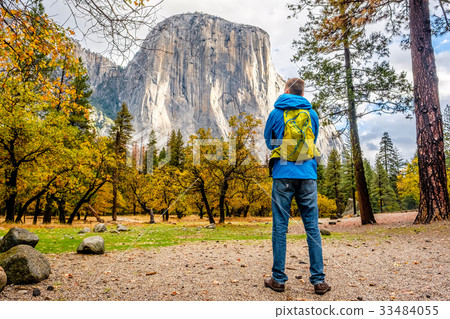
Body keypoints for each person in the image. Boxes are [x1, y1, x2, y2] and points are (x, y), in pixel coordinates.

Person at [263, 77, 331, 295]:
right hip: (308, 173)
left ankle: (278, 279)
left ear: (286, 90)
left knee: (280, 226)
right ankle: (318, 281)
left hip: (282, 173)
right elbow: (314, 139)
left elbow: (268, 141)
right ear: (302, 93)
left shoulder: (275, 113)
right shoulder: (311, 114)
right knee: (312, 227)